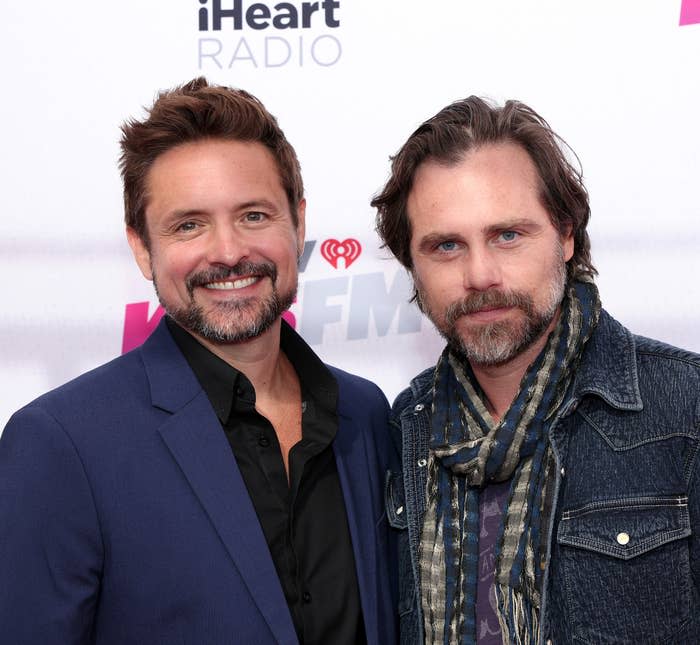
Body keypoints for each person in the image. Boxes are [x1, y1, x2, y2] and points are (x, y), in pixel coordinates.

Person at [0, 77, 396, 645]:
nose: (229, 251)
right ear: (142, 248)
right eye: (189, 224)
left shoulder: (365, 414)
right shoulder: (61, 444)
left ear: (299, 223)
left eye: (254, 215)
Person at [372, 96, 700, 644]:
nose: (480, 275)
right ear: (413, 266)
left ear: (566, 235)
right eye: (446, 245)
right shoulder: (403, 427)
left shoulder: (686, 405)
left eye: (508, 235)